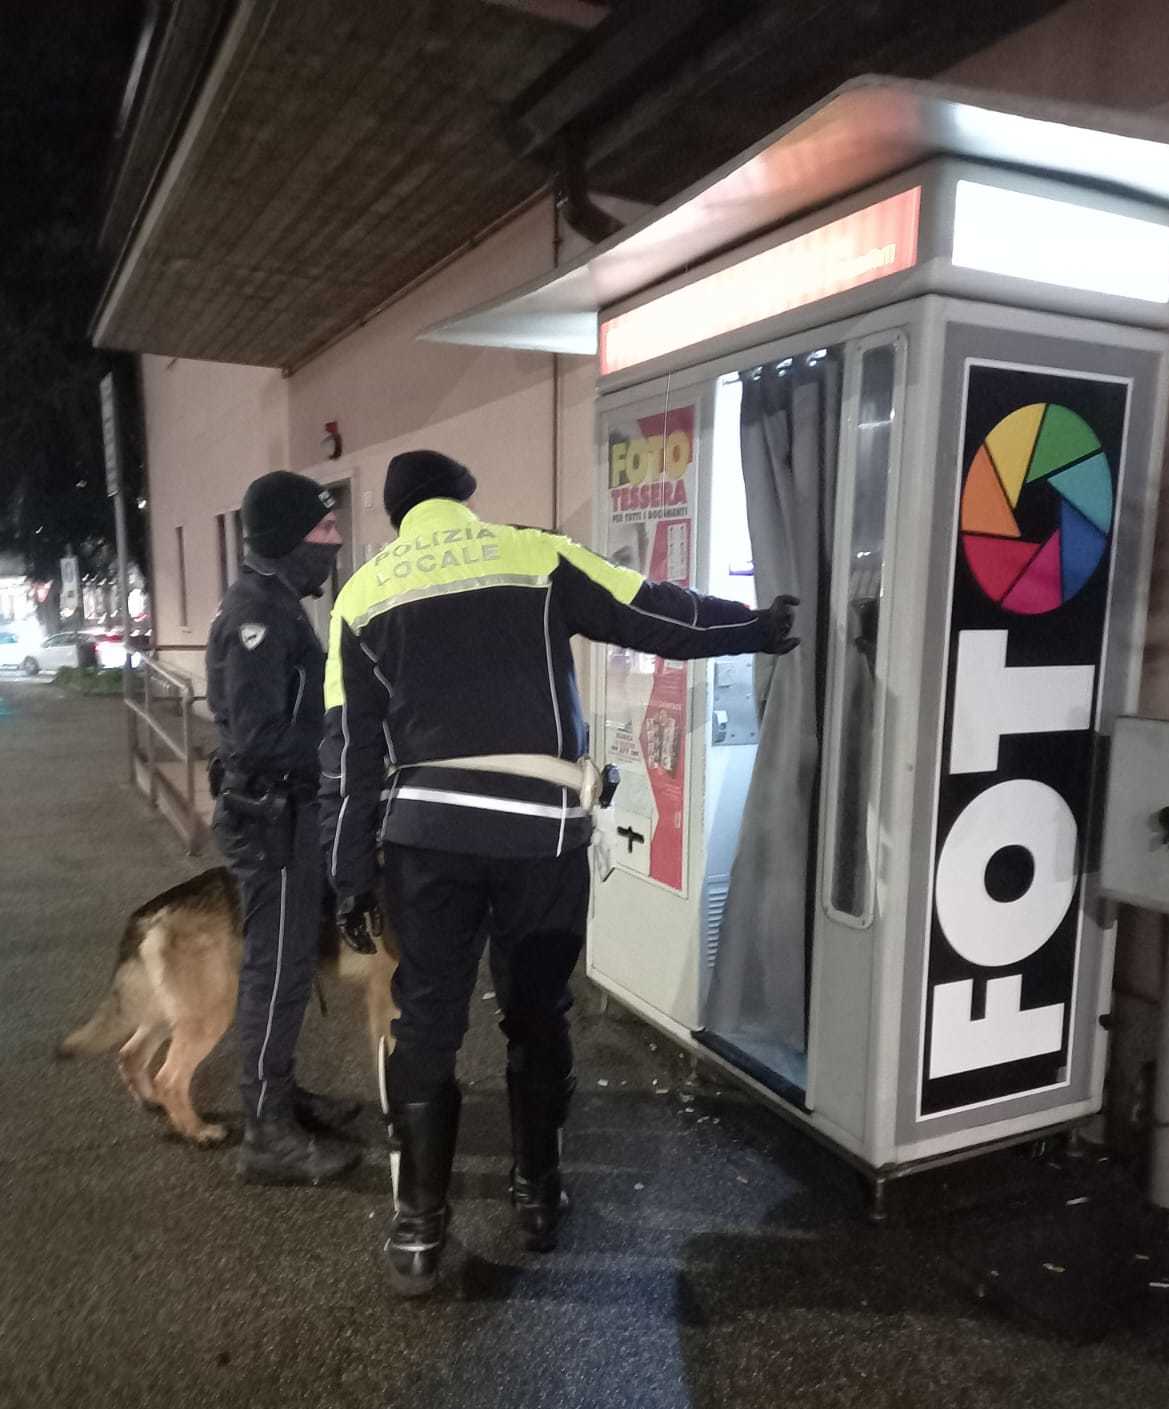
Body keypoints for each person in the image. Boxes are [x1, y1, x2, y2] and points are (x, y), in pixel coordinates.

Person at [320, 449, 798, 1294]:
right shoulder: (532, 551)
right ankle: (536, 1194)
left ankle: (420, 1231)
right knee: (536, 1013)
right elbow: (657, 616)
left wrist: (352, 874)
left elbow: (352, 754)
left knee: (427, 1019)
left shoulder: (360, 596)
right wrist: (758, 627)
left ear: (396, 519)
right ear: (465, 499)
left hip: (425, 839)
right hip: (539, 835)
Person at [206, 470, 361, 1186]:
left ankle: (281, 1093)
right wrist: (339, 745)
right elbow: (260, 734)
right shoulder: (256, 616)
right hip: (271, 816)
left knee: (291, 967)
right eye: (324, 531)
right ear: (287, 538)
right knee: (275, 974)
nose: (334, 543)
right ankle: (266, 1131)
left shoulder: (279, 603)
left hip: (285, 813)